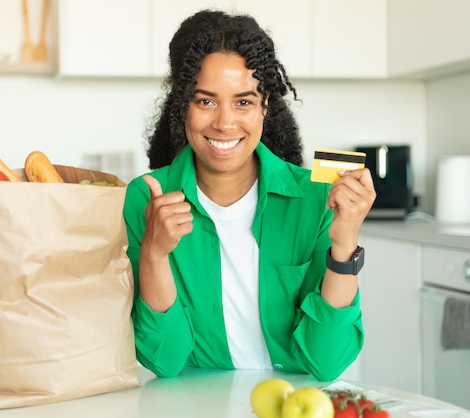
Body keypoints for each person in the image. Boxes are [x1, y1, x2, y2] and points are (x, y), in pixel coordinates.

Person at [122, 9, 376, 381]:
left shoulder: (317, 198)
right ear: (182, 105)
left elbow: (326, 362)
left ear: (265, 104)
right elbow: (164, 360)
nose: (225, 123)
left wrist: (344, 245)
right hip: (197, 406)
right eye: (205, 101)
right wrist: (155, 255)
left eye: (243, 102)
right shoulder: (145, 198)